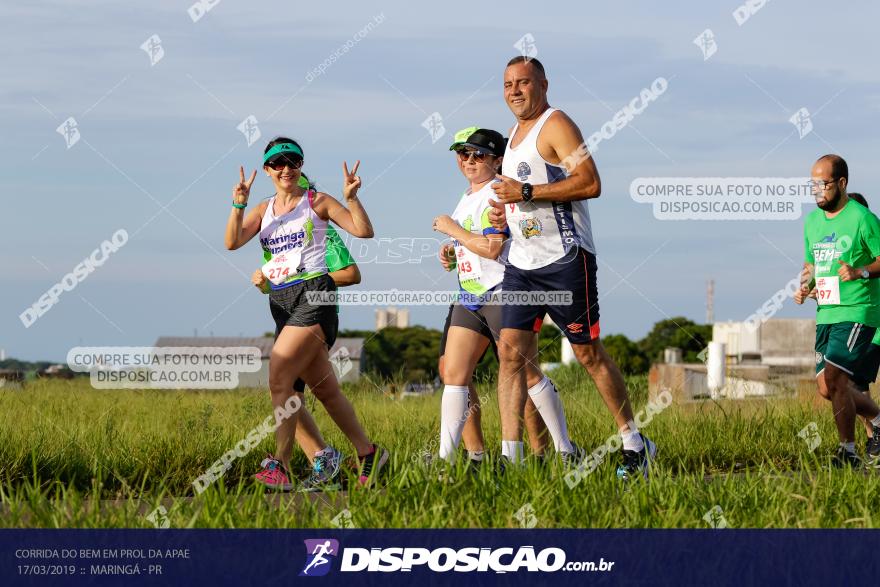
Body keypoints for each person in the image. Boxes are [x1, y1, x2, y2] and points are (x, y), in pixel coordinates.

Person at [487, 56, 655, 480]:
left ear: (543, 84)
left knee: (587, 354)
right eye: (508, 84)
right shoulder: (512, 136)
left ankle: (635, 444)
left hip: (565, 259)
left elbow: (590, 182)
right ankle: (511, 457)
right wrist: (504, 216)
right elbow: (525, 202)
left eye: (523, 82)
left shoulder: (557, 124)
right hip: (522, 264)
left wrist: (525, 189)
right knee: (510, 356)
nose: (515, 90)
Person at [225, 136, 388, 490]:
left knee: (279, 376)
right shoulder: (263, 210)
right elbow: (232, 242)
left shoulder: (317, 202)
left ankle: (279, 466)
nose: (287, 169)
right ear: (267, 169)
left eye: (293, 162)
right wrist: (239, 204)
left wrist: (352, 198)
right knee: (323, 390)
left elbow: (364, 231)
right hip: (281, 301)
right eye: (279, 163)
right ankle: (368, 454)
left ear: (301, 166)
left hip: (316, 294)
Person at [432, 126, 581, 467]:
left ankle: (563, 449)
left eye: (477, 155)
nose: (468, 161)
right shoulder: (468, 196)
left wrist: (453, 230)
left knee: (526, 375)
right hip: (469, 295)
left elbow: (493, 247)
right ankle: (447, 460)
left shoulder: (497, 193)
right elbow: (475, 243)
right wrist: (454, 252)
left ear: (498, 161)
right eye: (462, 154)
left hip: (504, 291)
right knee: (454, 374)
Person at [249, 173, 363, 491]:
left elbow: (351, 273)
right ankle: (337, 458)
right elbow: (277, 280)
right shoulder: (275, 233)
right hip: (287, 313)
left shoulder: (319, 229)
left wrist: (307, 276)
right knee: (301, 394)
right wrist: (267, 283)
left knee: (283, 385)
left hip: (315, 311)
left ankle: (286, 464)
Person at [794, 155, 880, 467]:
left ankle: (848, 453)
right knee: (826, 387)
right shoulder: (812, 222)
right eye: (812, 185)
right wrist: (806, 284)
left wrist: (861, 272)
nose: (817, 190)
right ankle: (878, 421)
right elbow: (811, 264)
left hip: (858, 310)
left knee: (837, 377)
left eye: (824, 184)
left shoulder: (862, 218)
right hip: (827, 313)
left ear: (842, 183)